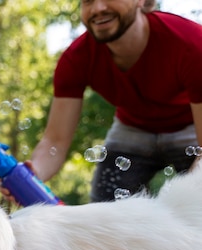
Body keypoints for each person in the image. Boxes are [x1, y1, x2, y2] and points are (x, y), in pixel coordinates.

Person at [21, 0, 202, 202]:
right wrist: (28, 177)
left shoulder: (193, 45)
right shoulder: (75, 60)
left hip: (192, 127)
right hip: (131, 128)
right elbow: (55, 143)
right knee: (105, 209)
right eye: (88, 1)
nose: (98, 8)